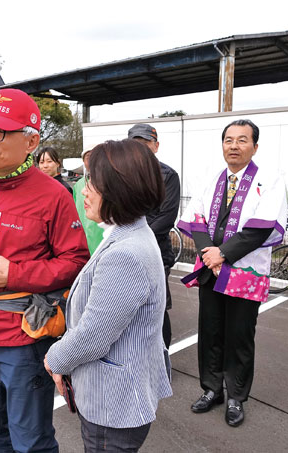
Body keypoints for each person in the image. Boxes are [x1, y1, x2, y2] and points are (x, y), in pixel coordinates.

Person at [0, 88, 89, 452]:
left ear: (31, 141)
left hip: (24, 340)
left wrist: (14, 275)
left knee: (31, 440)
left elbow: (75, 262)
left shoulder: (53, 194)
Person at [44, 139, 172, 453]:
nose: (83, 190)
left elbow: (94, 334)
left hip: (113, 405)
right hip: (118, 397)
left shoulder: (125, 252)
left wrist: (55, 359)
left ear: (119, 190)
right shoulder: (129, 232)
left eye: (93, 183)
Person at [177, 119, 287, 427]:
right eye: (228, 140)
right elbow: (196, 218)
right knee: (210, 331)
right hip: (211, 269)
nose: (234, 146)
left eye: (242, 140)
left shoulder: (270, 180)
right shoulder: (211, 179)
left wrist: (222, 253)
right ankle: (212, 389)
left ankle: (237, 394)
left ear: (255, 146)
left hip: (243, 272)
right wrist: (208, 253)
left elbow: (261, 228)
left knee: (240, 335)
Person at [128, 123, 181, 349]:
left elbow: (166, 218)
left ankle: (163, 356)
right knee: (128, 307)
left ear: (156, 146)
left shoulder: (168, 176)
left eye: (145, 144)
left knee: (156, 308)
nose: (140, 149)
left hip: (155, 252)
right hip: (125, 252)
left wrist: (133, 237)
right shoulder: (122, 173)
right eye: (135, 144)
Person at [73, 148, 104, 254]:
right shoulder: (78, 185)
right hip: (82, 237)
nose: (84, 192)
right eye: (88, 157)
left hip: (101, 235)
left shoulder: (108, 182)